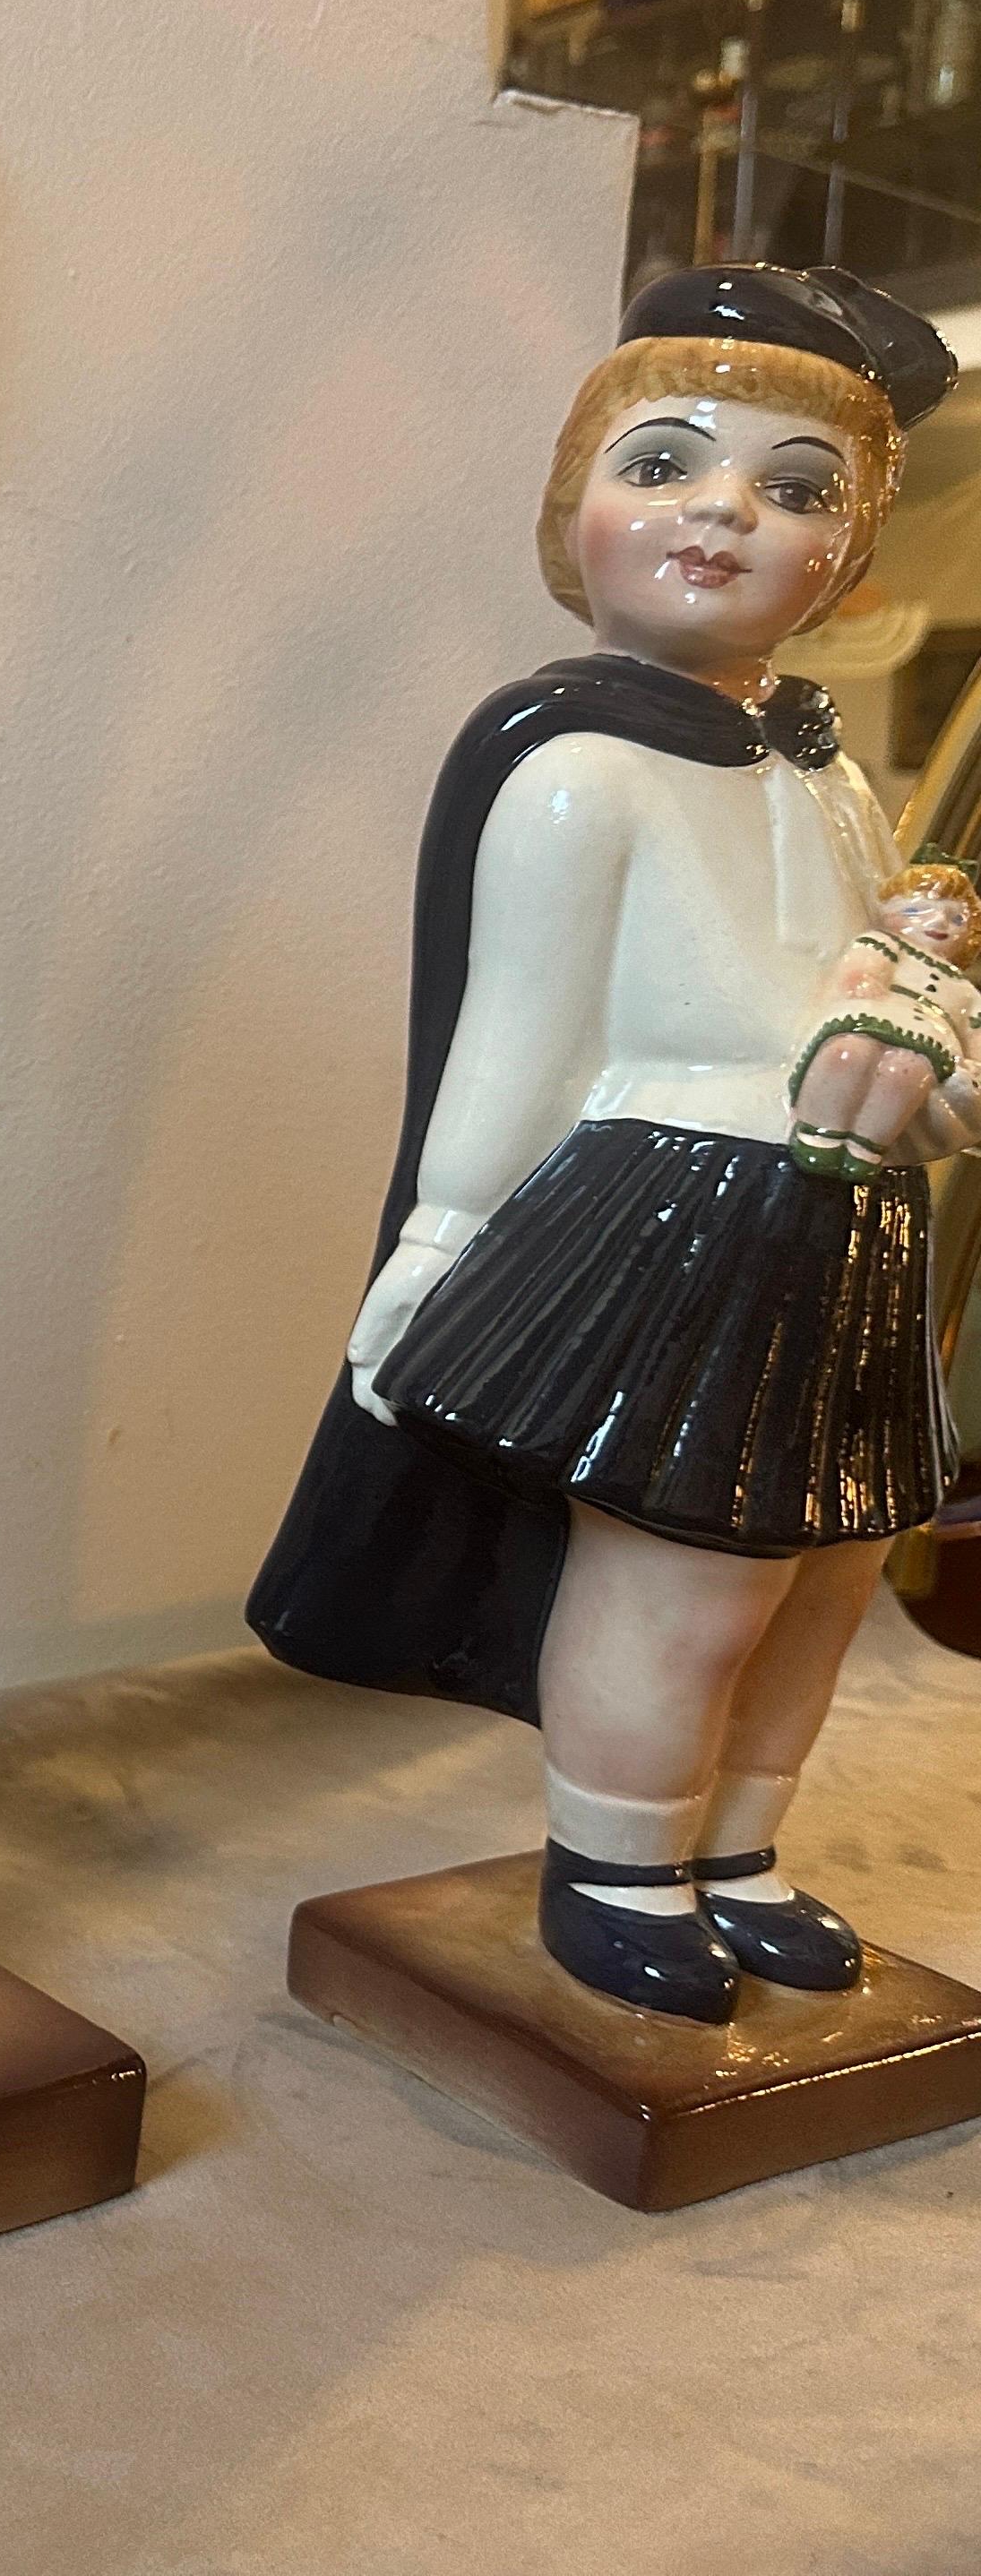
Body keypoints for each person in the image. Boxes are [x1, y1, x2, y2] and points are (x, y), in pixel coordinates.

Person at [251, 263, 974, 2022]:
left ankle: (740, 1846)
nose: (722, 511)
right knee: (686, 1580)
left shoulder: (827, 776)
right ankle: (617, 1857)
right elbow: (513, 1036)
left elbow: (870, 972)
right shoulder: (578, 770)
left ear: (847, 560)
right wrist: (436, 1247)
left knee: (821, 1576)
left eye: (794, 488)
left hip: (846, 1225)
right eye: (664, 462)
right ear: (570, 506)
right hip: (679, 1221)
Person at [787, 857, 981, 1179]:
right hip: (874, 1012)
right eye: (916, 910)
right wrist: (864, 978)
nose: (939, 922)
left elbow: (975, 1027)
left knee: (906, 1075)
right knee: (846, 1054)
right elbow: (862, 964)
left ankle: (867, 1145)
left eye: (957, 918)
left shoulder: (961, 987)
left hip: (929, 1038)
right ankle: (820, 1131)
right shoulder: (886, 944)